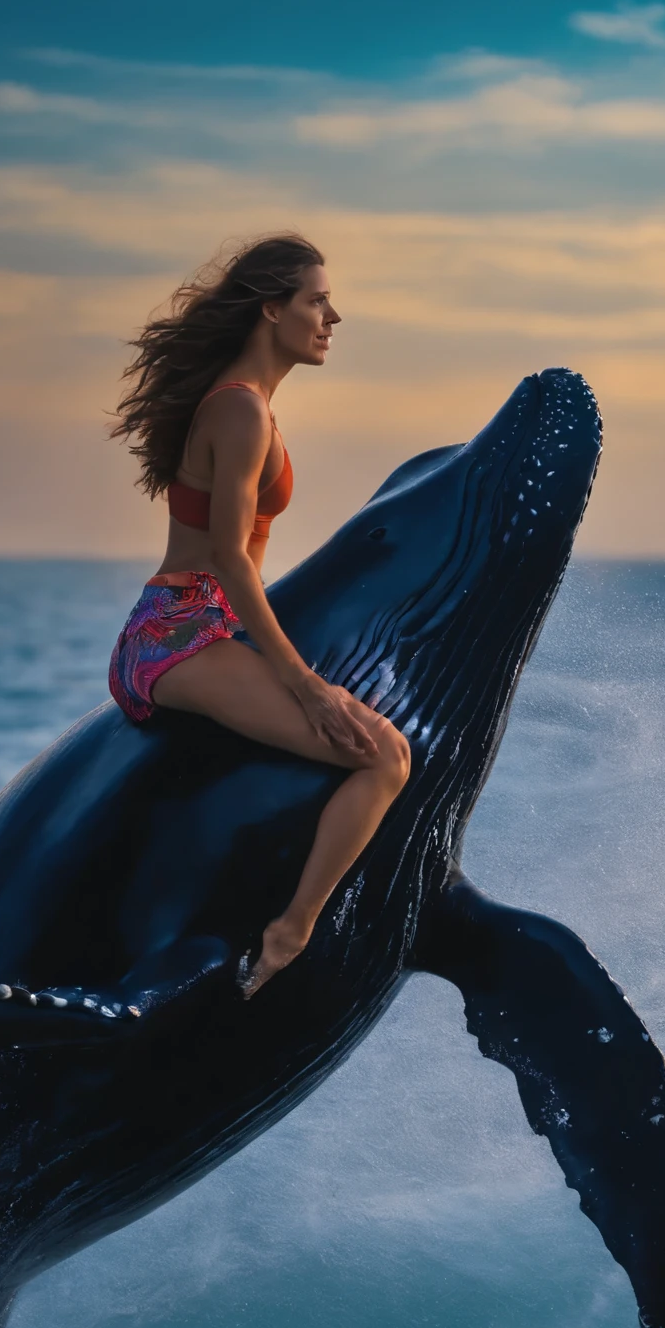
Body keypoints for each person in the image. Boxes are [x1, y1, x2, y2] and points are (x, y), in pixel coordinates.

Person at [108, 234, 411, 998]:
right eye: (316, 301)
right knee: (385, 756)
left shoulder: (250, 407)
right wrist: (304, 684)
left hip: (196, 626)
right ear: (271, 310)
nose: (332, 317)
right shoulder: (241, 410)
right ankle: (291, 932)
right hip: (177, 634)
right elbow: (231, 559)